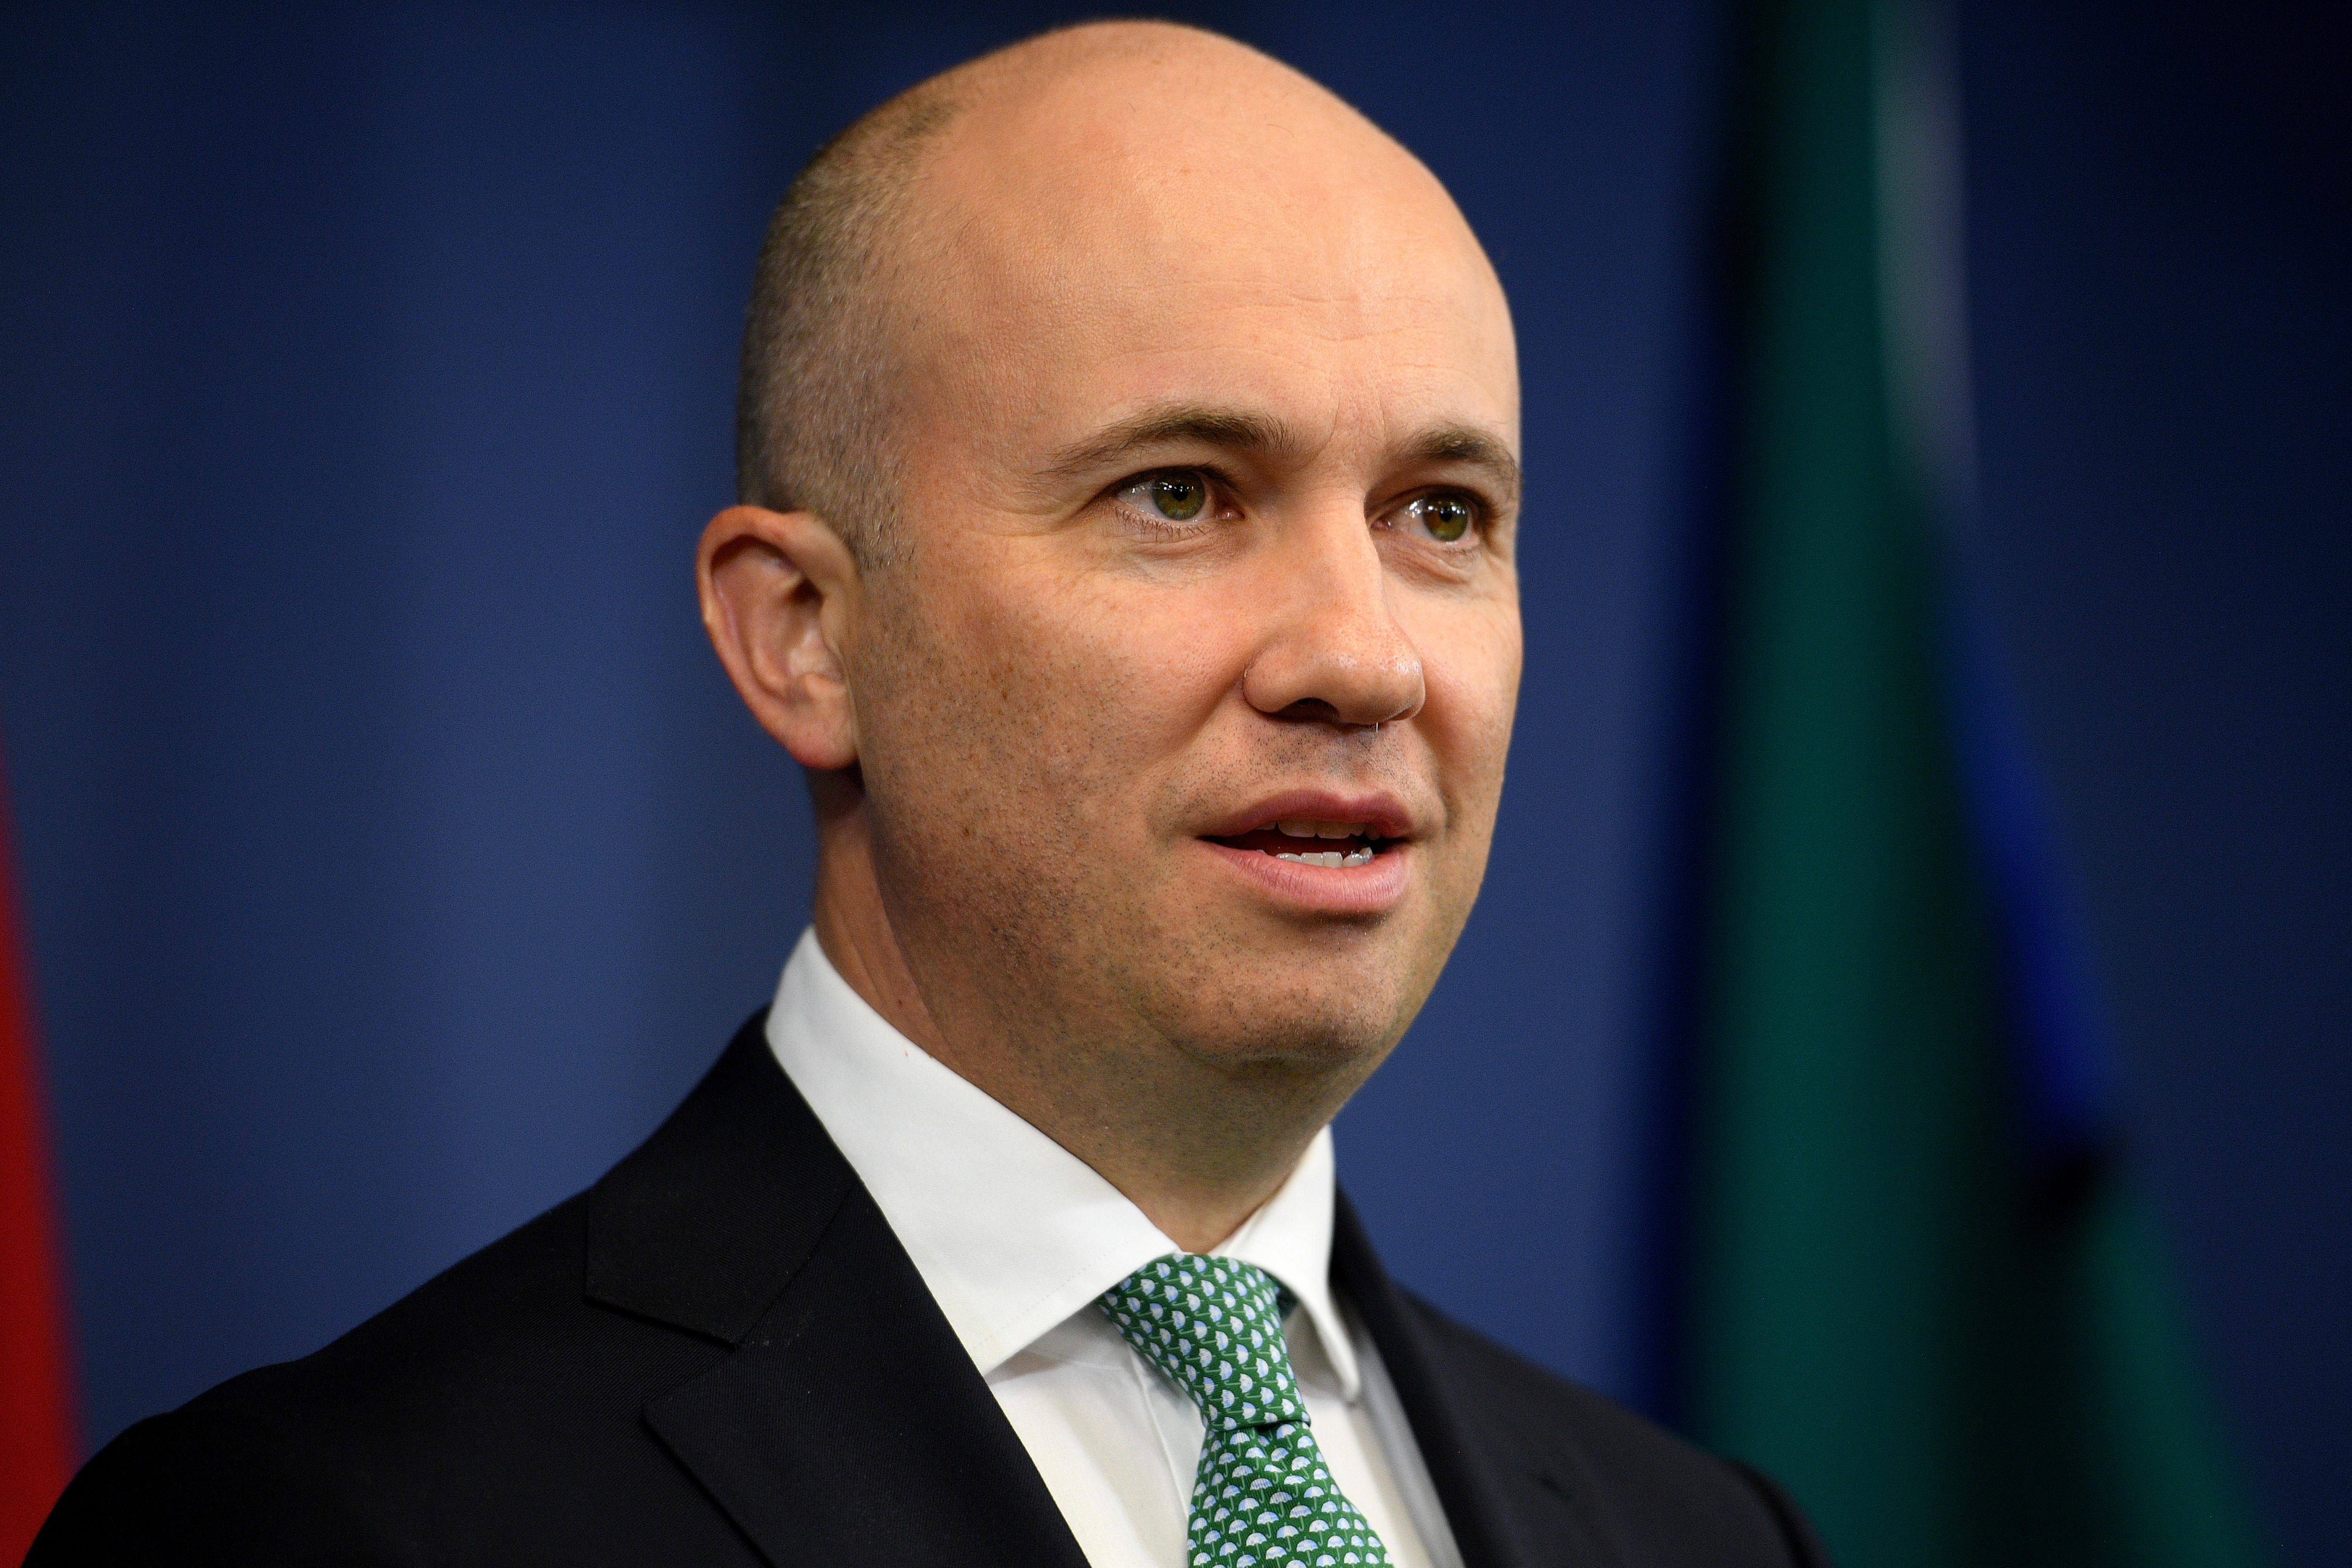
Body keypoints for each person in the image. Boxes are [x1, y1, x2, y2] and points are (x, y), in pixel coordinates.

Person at [31, 21, 1826, 1567]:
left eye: (1442, 515)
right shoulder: (331, 1526)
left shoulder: (1708, 1538)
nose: (1365, 660)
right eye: (1181, 493)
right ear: (805, 635)